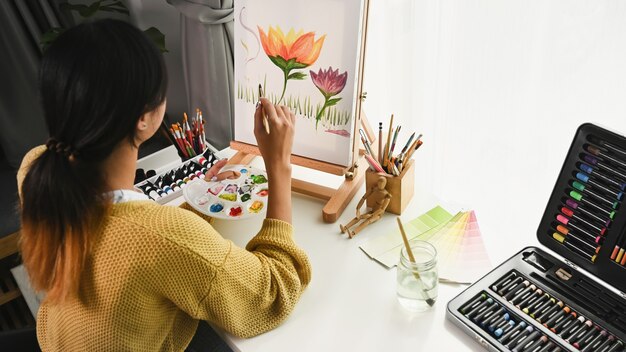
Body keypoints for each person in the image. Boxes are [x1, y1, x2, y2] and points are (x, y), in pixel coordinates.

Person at [17, 19, 310, 351]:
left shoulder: (35, 169)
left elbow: (139, 240)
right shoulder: (159, 240)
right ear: (144, 118)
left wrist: (202, 199)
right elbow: (272, 292)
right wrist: (279, 167)